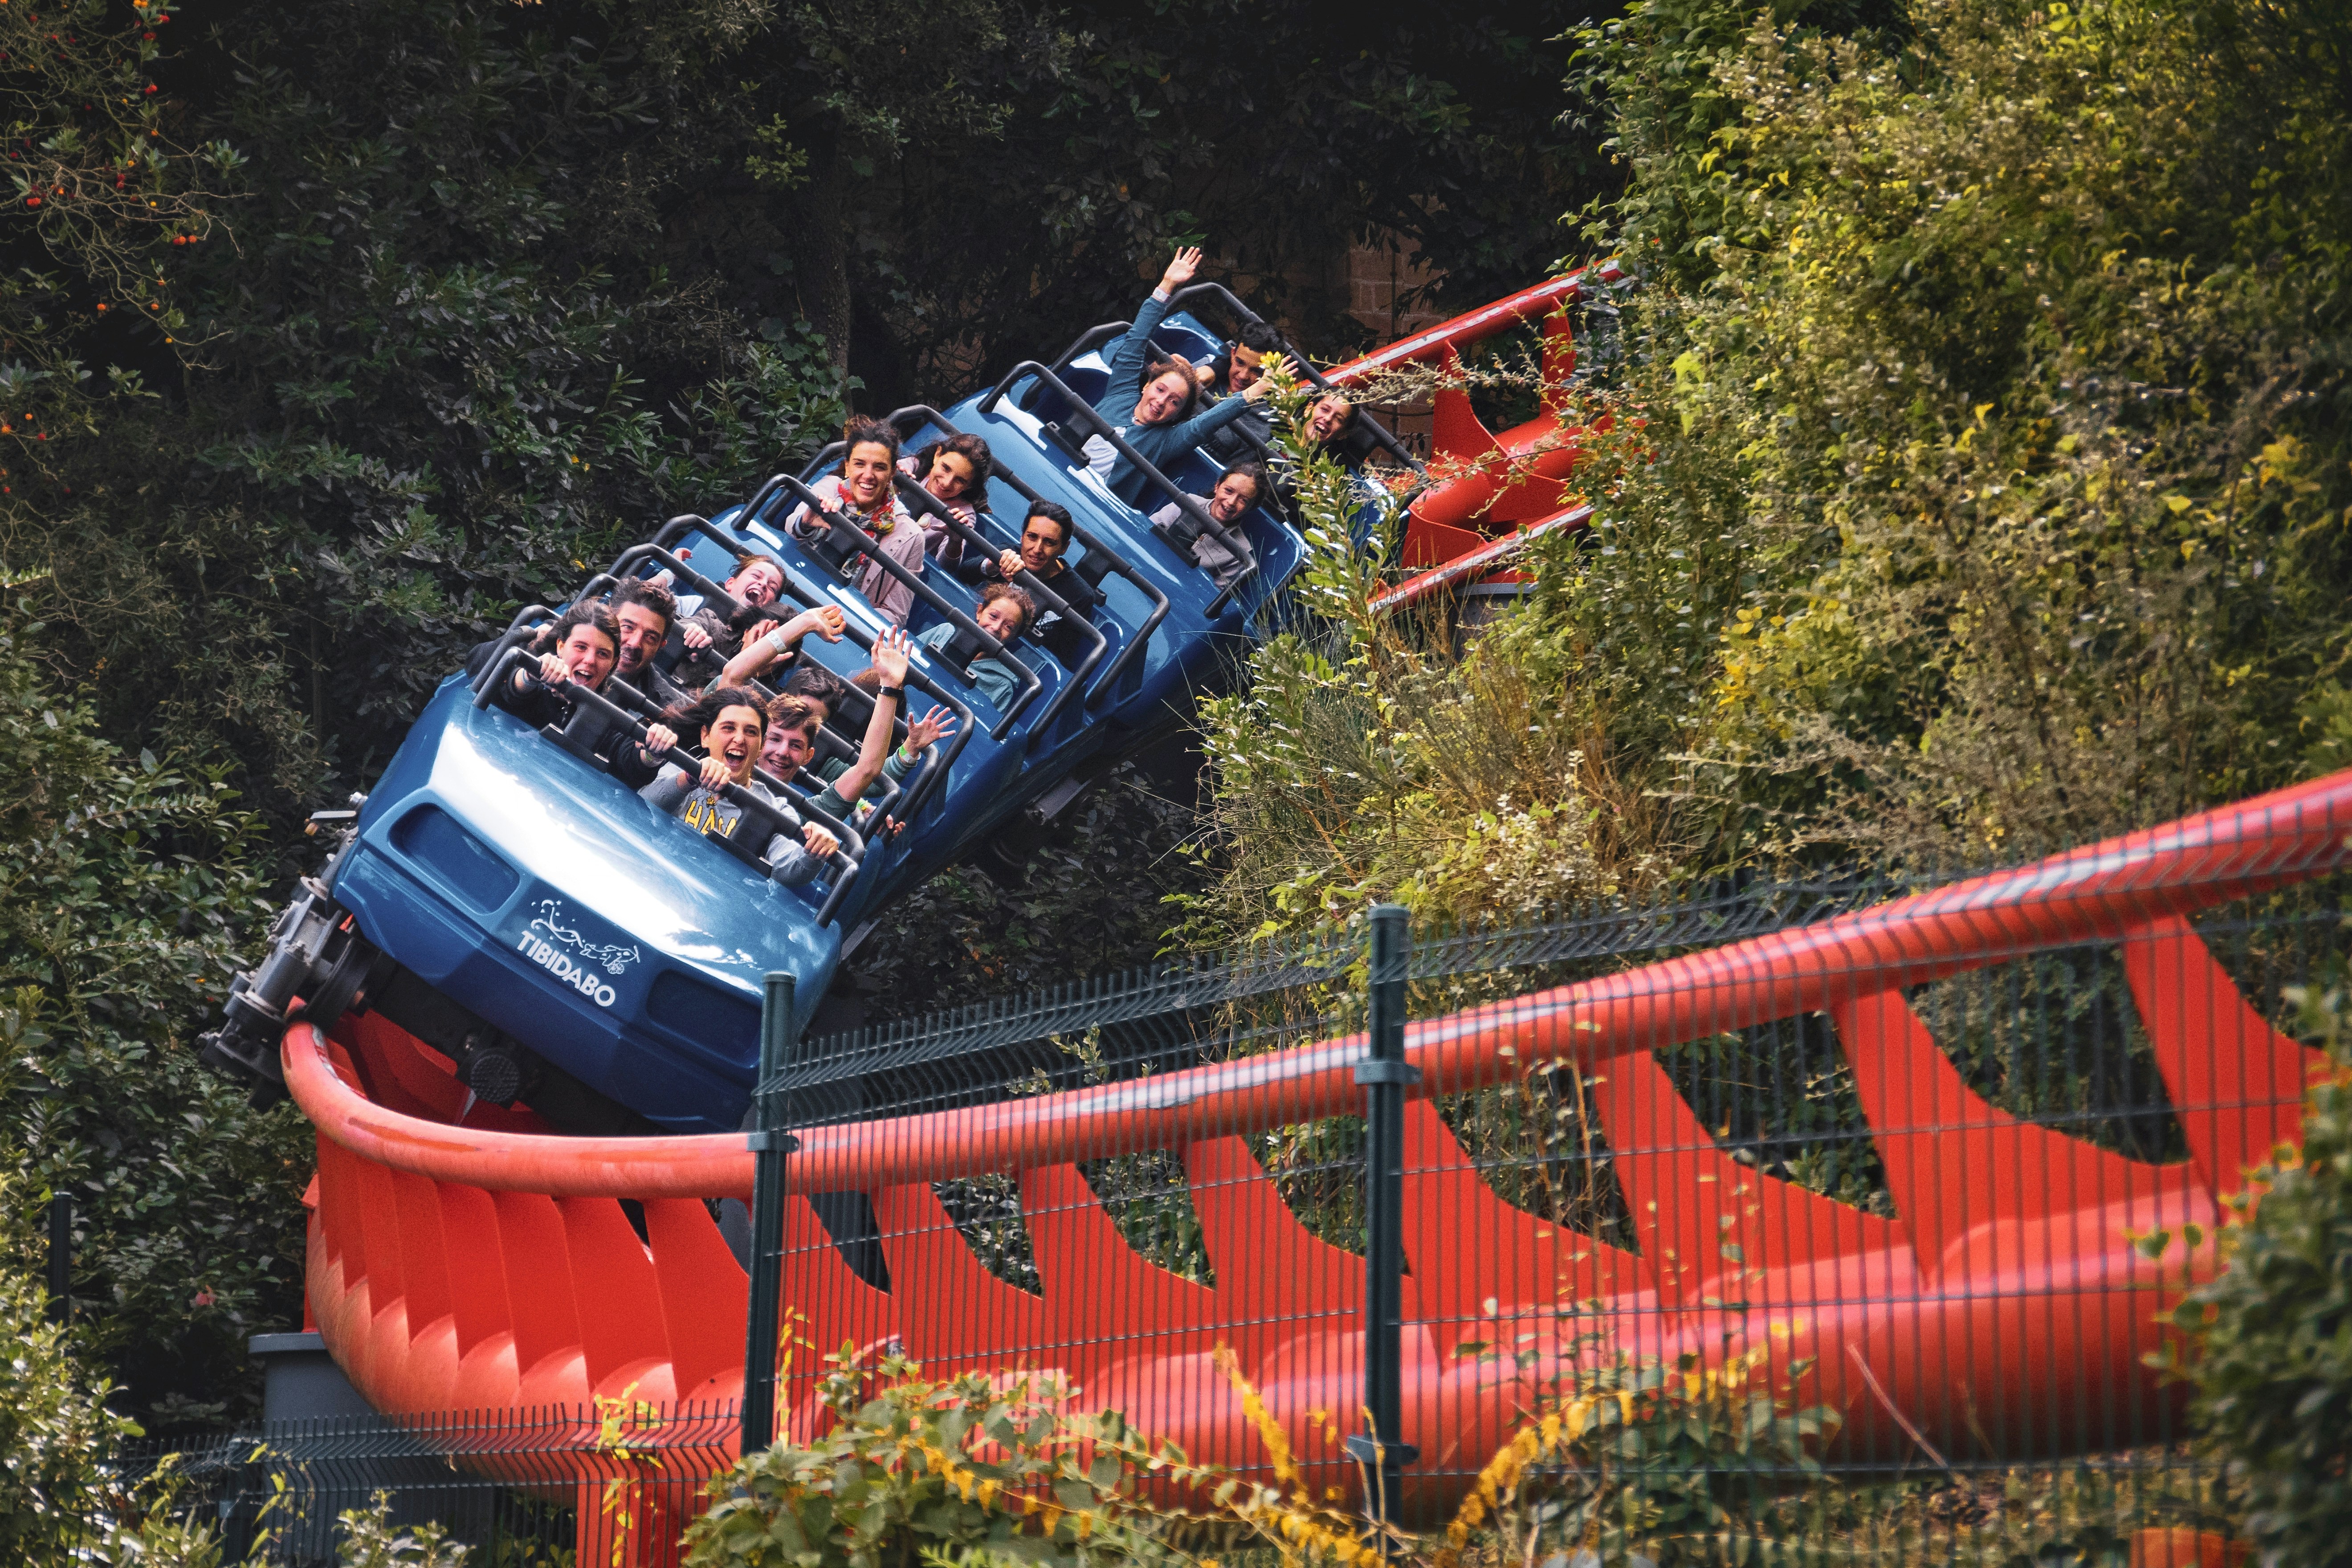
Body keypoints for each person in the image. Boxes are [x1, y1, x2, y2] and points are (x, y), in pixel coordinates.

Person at [1083, 247, 1285, 510]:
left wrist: (1257, 391)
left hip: (1095, 505)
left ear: (1179, 413)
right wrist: (1166, 285)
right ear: (1147, 385)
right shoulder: (1121, 395)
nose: (1161, 401)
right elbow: (1136, 341)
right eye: (1160, 390)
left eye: (1175, 402)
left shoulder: (1164, 441)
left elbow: (1207, 423)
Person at [639, 687, 841, 887]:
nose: (739, 739)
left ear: (761, 745)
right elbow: (643, 803)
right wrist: (690, 777)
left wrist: (815, 850)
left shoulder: (774, 808)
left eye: (751, 732)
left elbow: (787, 871)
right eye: (728, 728)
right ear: (705, 736)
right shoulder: (680, 766)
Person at [759, 631, 955, 829]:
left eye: (814, 725)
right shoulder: (736, 744)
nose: (783, 751)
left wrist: (890, 687)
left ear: (808, 755)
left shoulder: (794, 813)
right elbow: (733, 676)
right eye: (775, 738)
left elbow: (866, 773)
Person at [787, 416, 927, 626]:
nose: (868, 475)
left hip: (842, 622)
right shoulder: (830, 489)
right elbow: (790, 529)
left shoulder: (910, 535)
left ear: (892, 473)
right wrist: (807, 522)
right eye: (859, 464)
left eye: (879, 467)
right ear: (847, 467)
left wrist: (846, 616)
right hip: (797, 588)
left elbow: (895, 614)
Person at [950, 500, 1102, 665]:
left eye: (1049, 542)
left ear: (1064, 548)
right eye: (1032, 537)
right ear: (1022, 536)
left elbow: (1061, 656)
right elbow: (964, 575)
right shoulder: (1009, 554)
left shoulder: (1079, 595)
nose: (1037, 549)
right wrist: (992, 565)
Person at [1149, 462, 1267, 591]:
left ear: (1251, 508)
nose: (1231, 502)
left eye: (1243, 500)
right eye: (1228, 491)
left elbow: (1210, 594)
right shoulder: (1187, 503)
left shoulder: (1240, 553)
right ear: (1217, 486)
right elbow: (1146, 532)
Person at [920, 582, 1035, 713]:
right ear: (980, 612)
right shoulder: (944, 632)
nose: (996, 627)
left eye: (1008, 627)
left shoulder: (1002, 685)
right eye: (993, 616)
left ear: (1013, 637)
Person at [899, 433, 992, 567]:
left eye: (960, 480)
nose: (947, 483)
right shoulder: (915, 467)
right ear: (938, 455)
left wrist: (955, 541)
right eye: (946, 468)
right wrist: (895, 476)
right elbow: (896, 467)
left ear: (969, 486)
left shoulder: (964, 514)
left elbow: (945, 567)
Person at [1199, 320, 1283, 465]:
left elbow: (1225, 477)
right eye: (1240, 362)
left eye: (1256, 371)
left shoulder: (1260, 425)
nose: (1243, 376)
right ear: (1233, 354)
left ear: (1270, 374)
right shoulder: (1206, 372)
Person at [719, 601, 848, 689]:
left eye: (776, 645)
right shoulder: (710, 631)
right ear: (746, 633)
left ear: (786, 658)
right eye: (765, 637)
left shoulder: (771, 703)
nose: (764, 649)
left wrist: (754, 671)